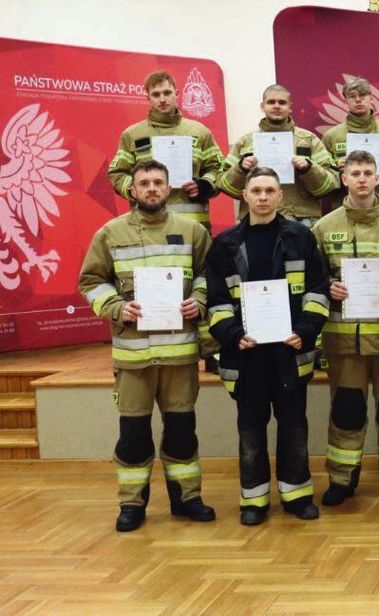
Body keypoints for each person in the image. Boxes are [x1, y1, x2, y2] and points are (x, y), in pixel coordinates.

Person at [79, 159, 216, 532]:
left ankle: (187, 498)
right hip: (133, 357)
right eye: (144, 183)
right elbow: (91, 281)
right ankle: (131, 503)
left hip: (179, 356)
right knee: (134, 436)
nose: (152, 188)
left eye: (158, 182)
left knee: (182, 433)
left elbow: (209, 275)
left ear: (168, 187)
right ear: (133, 189)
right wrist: (117, 307)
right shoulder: (110, 233)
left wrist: (199, 300)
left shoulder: (192, 231)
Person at [205, 167, 330, 525]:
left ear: (280, 196)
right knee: (250, 431)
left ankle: (297, 495)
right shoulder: (225, 244)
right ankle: (254, 500)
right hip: (246, 355)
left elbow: (318, 289)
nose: (262, 197)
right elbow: (216, 300)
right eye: (256, 190)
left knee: (294, 427)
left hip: (289, 352)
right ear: (244, 195)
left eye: (269, 190)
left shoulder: (301, 238)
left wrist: (305, 331)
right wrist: (233, 334)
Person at [311, 150, 379, 506]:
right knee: (347, 412)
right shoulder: (324, 227)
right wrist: (328, 287)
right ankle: (341, 479)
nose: (362, 179)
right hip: (344, 342)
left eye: (368, 172)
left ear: (378, 177)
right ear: (344, 179)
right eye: (355, 173)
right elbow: (312, 278)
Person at [108, 71, 225, 232]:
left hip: (194, 229)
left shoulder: (200, 132)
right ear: (148, 98)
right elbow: (117, 173)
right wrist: (133, 189)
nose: (162, 99)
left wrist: (204, 185)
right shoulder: (132, 135)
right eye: (156, 94)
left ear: (177, 94)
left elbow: (219, 168)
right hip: (147, 228)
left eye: (167, 93)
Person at [218, 84, 339, 226]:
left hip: (301, 221)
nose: (276, 106)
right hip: (256, 221)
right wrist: (241, 169)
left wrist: (308, 169)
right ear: (262, 106)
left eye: (282, 102)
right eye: (271, 102)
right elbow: (223, 184)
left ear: (290, 107)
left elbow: (331, 183)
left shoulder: (309, 140)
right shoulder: (246, 141)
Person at [320, 76, 379, 207]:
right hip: (346, 209)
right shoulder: (332, 137)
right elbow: (323, 185)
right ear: (345, 101)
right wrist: (338, 171)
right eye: (352, 96)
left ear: (371, 98)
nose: (358, 100)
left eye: (363, 95)